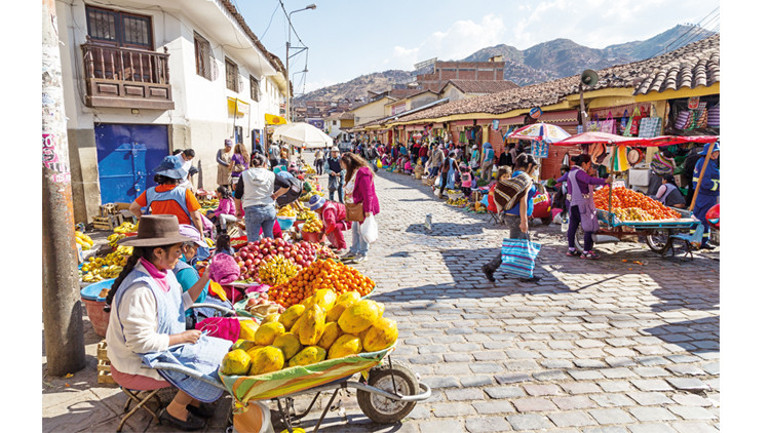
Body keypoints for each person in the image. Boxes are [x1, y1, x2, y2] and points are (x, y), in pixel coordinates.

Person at [104, 215, 232, 431]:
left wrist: (205, 278)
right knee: (208, 364)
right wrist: (183, 337)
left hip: (162, 349)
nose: (181, 254)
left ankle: (193, 400)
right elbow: (140, 344)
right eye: (177, 250)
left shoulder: (164, 273)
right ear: (158, 252)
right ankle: (176, 410)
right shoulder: (139, 290)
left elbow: (178, 304)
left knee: (222, 351)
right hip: (137, 363)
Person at [481, 154, 541, 283]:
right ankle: (522, 274)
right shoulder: (524, 178)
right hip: (517, 218)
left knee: (516, 246)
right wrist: (524, 221)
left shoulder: (515, 175)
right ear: (529, 166)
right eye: (534, 167)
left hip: (510, 216)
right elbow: (523, 200)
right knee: (520, 245)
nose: (534, 170)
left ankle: (493, 268)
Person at [130, 156, 205, 238]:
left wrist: (141, 218)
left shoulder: (149, 192)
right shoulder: (184, 193)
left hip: (159, 234)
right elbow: (196, 217)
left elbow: (133, 208)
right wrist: (200, 233)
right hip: (181, 235)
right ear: (178, 176)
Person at [558, 154, 612, 259]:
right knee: (589, 227)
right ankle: (587, 251)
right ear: (584, 164)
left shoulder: (571, 173)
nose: (589, 167)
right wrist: (604, 181)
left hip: (573, 204)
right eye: (589, 164)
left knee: (572, 227)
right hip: (582, 205)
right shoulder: (579, 173)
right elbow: (589, 180)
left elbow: (567, 183)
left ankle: (571, 249)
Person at [233, 154, 290, 242]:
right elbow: (287, 185)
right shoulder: (270, 174)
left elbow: (237, 195)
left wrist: (238, 210)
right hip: (269, 209)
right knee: (269, 241)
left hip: (252, 210)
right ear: (264, 164)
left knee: (253, 242)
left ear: (252, 164)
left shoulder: (245, 174)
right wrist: (276, 195)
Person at [340, 152, 379, 264]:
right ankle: (354, 250)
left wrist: (368, 210)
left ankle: (363, 253)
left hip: (364, 206)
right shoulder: (353, 172)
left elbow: (368, 193)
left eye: (343, 164)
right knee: (355, 229)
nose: (343, 167)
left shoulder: (363, 172)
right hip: (357, 206)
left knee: (362, 230)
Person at [691, 142, 720, 249]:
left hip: (705, 195)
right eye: (716, 152)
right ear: (711, 153)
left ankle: (697, 240)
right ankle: (699, 241)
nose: (717, 154)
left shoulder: (706, 162)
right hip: (706, 195)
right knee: (703, 218)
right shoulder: (706, 163)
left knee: (699, 217)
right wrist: (718, 186)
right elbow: (706, 183)